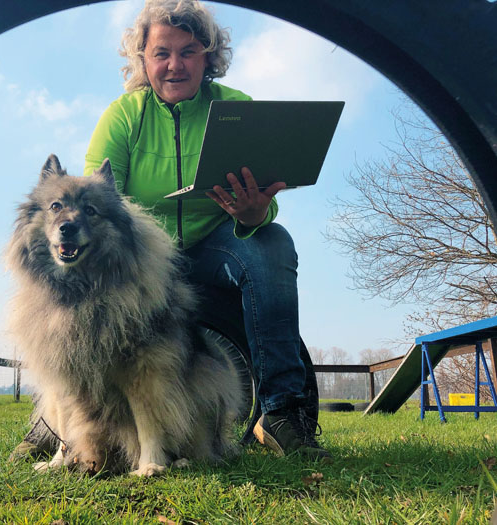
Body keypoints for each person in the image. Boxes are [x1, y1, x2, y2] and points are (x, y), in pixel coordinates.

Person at [82, 0, 330, 461]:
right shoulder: (123, 115)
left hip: (216, 244)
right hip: (146, 257)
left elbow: (265, 200)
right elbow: (93, 206)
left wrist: (254, 213)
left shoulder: (238, 108)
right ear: (143, 60)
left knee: (273, 244)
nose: (174, 65)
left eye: (189, 51)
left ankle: (280, 414)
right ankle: (55, 425)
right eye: (161, 53)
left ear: (209, 57)